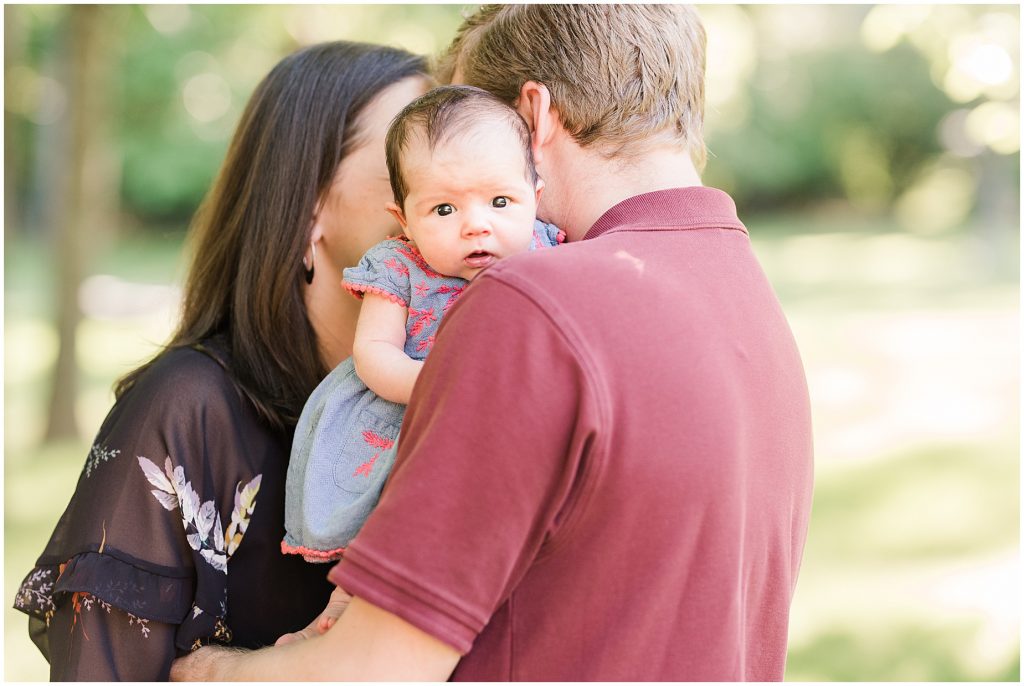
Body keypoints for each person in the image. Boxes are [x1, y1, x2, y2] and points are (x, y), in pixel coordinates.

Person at [171, 5, 814, 681]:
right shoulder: (748, 298)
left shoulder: (530, 303)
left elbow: (369, 670)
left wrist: (206, 672)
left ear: (532, 118)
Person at [12, 41, 431, 680]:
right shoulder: (183, 410)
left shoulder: (446, 402)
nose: (457, 197)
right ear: (311, 207)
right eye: (412, 171)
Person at [281, 85, 560, 563]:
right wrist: (441, 382)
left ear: (535, 198)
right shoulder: (400, 266)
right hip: (407, 411)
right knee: (386, 520)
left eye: (500, 202)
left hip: (504, 413)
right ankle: (346, 599)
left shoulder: (549, 254)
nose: (476, 225)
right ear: (404, 220)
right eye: (444, 210)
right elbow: (373, 352)